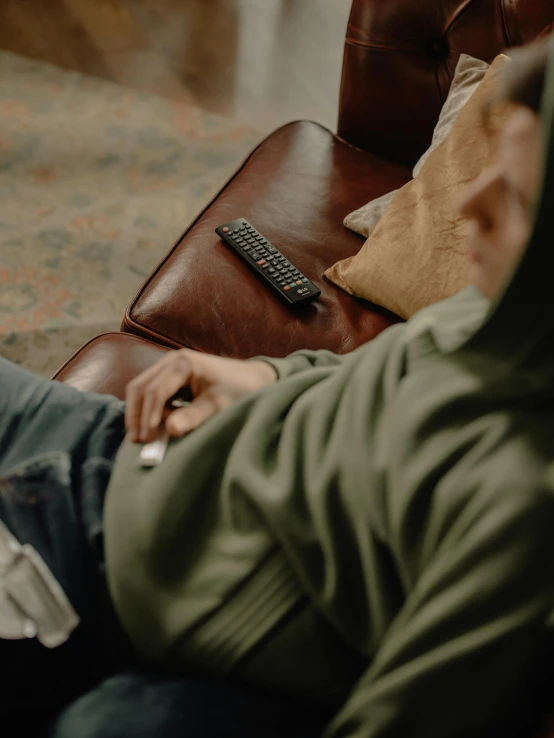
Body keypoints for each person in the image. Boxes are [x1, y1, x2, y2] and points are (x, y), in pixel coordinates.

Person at [2, 34, 554, 738]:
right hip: (117, 459)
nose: (469, 202)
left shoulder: (525, 503)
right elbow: (370, 387)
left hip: (119, 593)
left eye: (521, 199)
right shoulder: (500, 310)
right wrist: (257, 374)